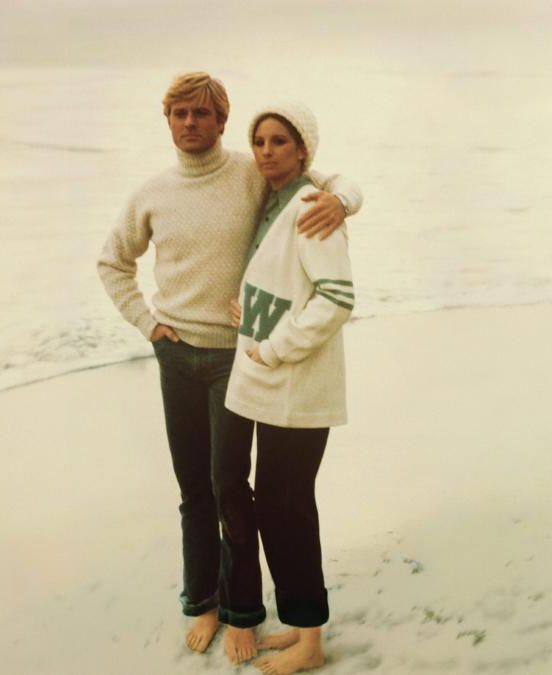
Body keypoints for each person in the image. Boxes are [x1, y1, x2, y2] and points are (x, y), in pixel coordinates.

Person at [95, 72, 362, 664]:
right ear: (167, 121)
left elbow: (324, 180)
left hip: (234, 360)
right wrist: (148, 326)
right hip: (176, 353)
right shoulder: (151, 194)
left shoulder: (252, 172)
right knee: (193, 490)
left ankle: (245, 610)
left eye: (202, 114)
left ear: (221, 121)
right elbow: (113, 262)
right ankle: (204, 601)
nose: (191, 123)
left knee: (229, 489)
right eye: (180, 114)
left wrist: (343, 200)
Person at [224, 102, 355, 674]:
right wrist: (249, 313)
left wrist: (274, 347)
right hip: (270, 383)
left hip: (297, 387)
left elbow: (336, 298)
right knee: (275, 508)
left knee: (288, 510)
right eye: (259, 141)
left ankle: (311, 641)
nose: (266, 151)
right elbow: (281, 281)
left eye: (280, 141)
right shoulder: (272, 202)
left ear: (303, 150)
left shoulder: (310, 206)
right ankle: (301, 624)